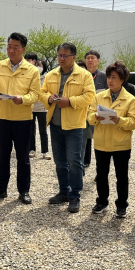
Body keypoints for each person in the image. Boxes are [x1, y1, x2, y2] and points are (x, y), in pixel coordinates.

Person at [0, 33, 41, 205]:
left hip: (23, 120)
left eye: (16, 47)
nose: (11, 50)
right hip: (2, 118)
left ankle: (24, 191)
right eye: (9, 46)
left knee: (23, 158)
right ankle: (1, 189)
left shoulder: (32, 70)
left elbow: (35, 94)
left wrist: (22, 99)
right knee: (3, 156)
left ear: (23, 49)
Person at [40, 42, 96, 213]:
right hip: (55, 124)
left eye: (65, 55)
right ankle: (63, 191)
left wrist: (70, 101)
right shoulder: (51, 75)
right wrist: (49, 98)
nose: (61, 58)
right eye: (59, 55)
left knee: (74, 162)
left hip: (75, 126)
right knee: (59, 162)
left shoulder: (84, 75)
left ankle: (75, 195)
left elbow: (89, 96)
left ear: (73, 57)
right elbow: (41, 93)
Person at [87, 61, 135, 218]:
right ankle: (102, 201)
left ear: (122, 79)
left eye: (114, 77)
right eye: (109, 76)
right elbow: (88, 117)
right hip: (101, 143)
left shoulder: (130, 100)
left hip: (121, 144)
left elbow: (134, 122)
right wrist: (95, 116)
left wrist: (119, 120)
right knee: (101, 175)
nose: (110, 80)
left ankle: (121, 205)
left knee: (121, 177)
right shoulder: (99, 97)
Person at [83, 50, 108, 169]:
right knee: (83, 139)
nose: (90, 60)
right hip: (82, 113)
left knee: (100, 142)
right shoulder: (80, 76)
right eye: (87, 58)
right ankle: (84, 162)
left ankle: (100, 169)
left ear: (98, 61)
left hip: (99, 114)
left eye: (93, 58)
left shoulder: (104, 77)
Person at [25, 53, 51, 160]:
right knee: (31, 130)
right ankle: (32, 149)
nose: (37, 67)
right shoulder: (29, 75)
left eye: (39, 65)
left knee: (43, 130)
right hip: (31, 106)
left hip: (42, 107)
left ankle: (45, 151)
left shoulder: (46, 77)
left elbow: (44, 91)